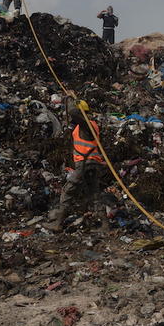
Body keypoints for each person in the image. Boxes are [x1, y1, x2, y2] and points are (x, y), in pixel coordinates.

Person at [48, 98, 110, 233]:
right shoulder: (90, 125)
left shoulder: (86, 124)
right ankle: (105, 225)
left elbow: (73, 112)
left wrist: (72, 101)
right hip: (93, 163)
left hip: (84, 164)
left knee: (68, 191)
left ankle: (58, 224)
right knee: (95, 194)